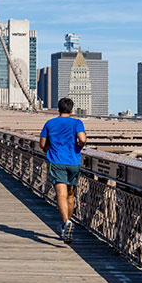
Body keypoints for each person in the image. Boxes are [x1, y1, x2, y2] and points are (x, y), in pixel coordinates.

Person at [39, 97, 87, 244]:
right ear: (72, 110)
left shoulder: (50, 123)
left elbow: (42, 144)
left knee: (61, 193)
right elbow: (83, 139)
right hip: (74, 162)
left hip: (57, 161)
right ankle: (68, 221)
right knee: (70, 194)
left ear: (58, 109)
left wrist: (49, 150)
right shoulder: (77, 123)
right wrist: (78, 147)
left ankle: (66, 222)